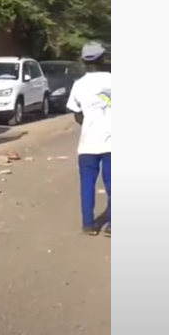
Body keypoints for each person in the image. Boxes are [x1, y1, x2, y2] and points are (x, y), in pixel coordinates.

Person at [66, 42, 111, 237]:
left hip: (88, 143)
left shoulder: (79, 85)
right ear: (103, 59)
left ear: (83, 61)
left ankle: (88, 224)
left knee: (87, 184)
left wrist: (90, 123)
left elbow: (77, 114)